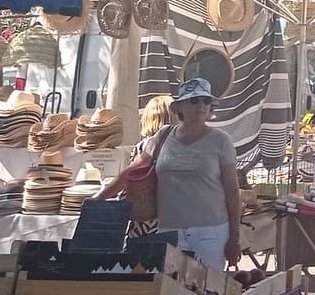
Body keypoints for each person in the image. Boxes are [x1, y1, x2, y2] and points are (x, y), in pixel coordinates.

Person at [100, 78, 242, 266]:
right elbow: (130, 173)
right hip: (169, 230)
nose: (201, 105)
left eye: (206, 101)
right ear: (180, 107)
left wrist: (234, 239)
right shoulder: (163, 136)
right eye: (194, 100)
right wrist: (99, 199)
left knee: (208, 288)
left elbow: (233, 191)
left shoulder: (221, 141)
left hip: (211, 232)